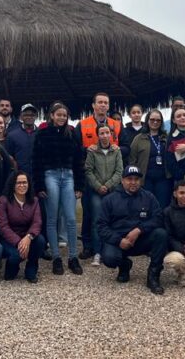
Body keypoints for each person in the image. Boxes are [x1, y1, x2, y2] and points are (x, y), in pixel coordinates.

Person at [96, 165, 168, 294]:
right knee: (109, 258)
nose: (133, 182)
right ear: (122, 180)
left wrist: (139, 229)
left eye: (136, 179)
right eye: (129, 179)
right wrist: (118, 241)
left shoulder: (149, 197)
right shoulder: (110, 200)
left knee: (161, 234)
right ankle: (124, 266)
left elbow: (158, 218)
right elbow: (101, 226)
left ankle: (153, 276)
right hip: (119, 242)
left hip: (141, 240)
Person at [33, 102, 84, 275]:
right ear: (52, 115)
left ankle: (72, 257)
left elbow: (79, 160)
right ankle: (56, 257)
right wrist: (39, 185)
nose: (62, 117)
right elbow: (36, 161)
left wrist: (79, 185)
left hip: (68, 175)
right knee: (52, 218)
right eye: (59, 114)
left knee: (70, 218)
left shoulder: (72, 133)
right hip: (50, 175)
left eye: (64, 115)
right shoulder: (42, 133)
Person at [78, 93, 122, 258]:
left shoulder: (116, 125)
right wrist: (85, 150)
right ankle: (89, 246)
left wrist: (118, 149)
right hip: (90, 179)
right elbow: (76, 149)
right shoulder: (82, 125)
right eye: (100, 102)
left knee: (112, 214)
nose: (103, 105)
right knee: (89, 213)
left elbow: (125, 147)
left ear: (108, 106)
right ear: (93, 105)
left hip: (111, 178)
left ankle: (110, 246)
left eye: (106, 103)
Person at [84, 123, 123, 266]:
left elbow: (119, 171)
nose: (105, 136)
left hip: (113, 191)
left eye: (107, 133)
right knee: (97, 221)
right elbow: (88, 170)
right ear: (98, 135)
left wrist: (108, 185)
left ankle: (112, 249)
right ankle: (97, 252)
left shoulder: (116, 150)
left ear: (111, 134)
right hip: (96, 191)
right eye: (102, 133)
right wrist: (98, 186)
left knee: (113, 221)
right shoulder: (92, 151)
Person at [0, 172, 46, 282]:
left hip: (27, 236)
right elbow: (3, 226)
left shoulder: (34, 200)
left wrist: (28, 237)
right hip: (8, 239)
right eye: (18, 183)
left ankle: (31, 268)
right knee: (15, 257)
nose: (22, 185)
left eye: (25, 182)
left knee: (41, 241)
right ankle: (12, 266)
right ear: (13, 185)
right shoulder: (4, 200)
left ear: (29, 184)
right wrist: (19, 242)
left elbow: (37, 222)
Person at [129, 109, 173, 204]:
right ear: (147, 120)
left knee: (162, 206)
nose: (155, 122)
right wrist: (135, 178)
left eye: (158, 120)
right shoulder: (139, 138)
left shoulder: (166, 137)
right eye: (152, 119)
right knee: (145, 206)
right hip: (145, 179)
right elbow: (132, 160)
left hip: (163, 179)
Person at [6, 104, 39, 176]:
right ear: (21, 116)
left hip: (38, 176)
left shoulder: (42, 134)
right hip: (20, 176)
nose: (29, 117)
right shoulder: (12, 135)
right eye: (26, 115)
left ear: (36, 116)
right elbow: (9, 156)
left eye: (32, 115)